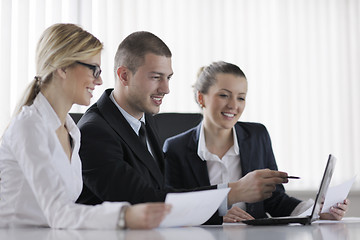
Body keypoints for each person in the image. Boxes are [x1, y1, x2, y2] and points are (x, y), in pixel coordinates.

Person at [77, 31, 290, 224]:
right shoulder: (94, 131)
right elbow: (142, 200)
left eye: (168, 78)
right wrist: (231, 192)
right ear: (124, 75)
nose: (166, 88)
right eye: (156, 77)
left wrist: (217, 212)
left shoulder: (146, 119)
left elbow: (163, 192)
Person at [0, 23, 171, 229]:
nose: (99, 81)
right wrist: (124, 215)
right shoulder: (29, 126)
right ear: (62, 68)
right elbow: (58, 212)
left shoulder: (72, 131)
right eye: (94, 70)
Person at [163, 61, 349, 222]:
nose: (233, 105)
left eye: (241, 97)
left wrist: (316, 211)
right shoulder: (175, 148)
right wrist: (218, 218)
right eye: (224, 95)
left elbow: (275, 200)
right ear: (201, 98)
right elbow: (176, 207)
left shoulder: (257, 136)